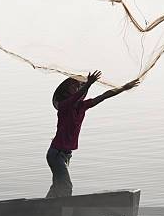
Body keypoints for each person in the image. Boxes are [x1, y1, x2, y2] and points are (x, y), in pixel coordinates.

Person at [46, 70, 139, 198]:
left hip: (66, 155)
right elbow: (75, 97)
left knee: (58, 185)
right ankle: (58, 212)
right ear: (66, 92)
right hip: (56, 154)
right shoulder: (64, 106)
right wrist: (88, 84)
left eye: (78, 85)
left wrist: (124, 88)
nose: (77, 87)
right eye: (74, 85)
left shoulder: (82, 106)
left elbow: (103, 96)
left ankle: (45, 207)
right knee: (66, 186)